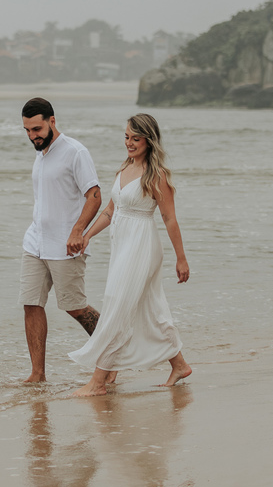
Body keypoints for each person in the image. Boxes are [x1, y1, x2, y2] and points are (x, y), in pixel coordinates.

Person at [69, 113, 192, 396]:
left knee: (118, 306)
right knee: (150, 308)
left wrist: (181, 258)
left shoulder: (156, 175)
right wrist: (87, 235)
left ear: (149, 141)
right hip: (122, 247)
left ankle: (98, 382)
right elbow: (111, 211)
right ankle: (180, 365)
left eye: (136, 138)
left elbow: (170, 219)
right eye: (126, 137)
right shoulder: (125, 169)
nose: (129, 143)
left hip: (142, 247)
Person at [20, 98, 103, 383]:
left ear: (52, 121)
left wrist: (77, 231)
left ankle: (111, 356)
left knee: (75, 307)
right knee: (31, 304)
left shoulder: (75, 152)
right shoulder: (41, 153)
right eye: (27, 130)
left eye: (37, 129)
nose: (32, 136)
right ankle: (37, 374)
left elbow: (94, 196)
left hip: (65, 245)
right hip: (35, 243)